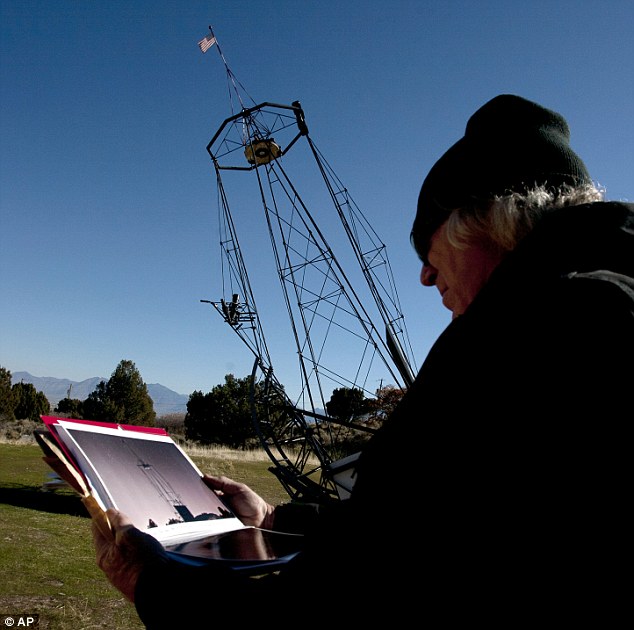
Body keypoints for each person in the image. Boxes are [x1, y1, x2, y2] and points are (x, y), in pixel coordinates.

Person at [93, 94, 633, 626]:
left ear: (484, 218)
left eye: (428, 245)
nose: (424, 275)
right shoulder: (598, 306)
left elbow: (340, 603)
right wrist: (276, 519)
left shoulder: (533, 334)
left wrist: (148, 578)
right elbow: (419, 536)